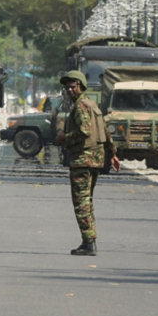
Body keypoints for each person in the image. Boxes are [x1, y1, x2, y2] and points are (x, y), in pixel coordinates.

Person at [55, 70, 119, 255]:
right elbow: (105, 131)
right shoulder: (93, 105)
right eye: (67, 87)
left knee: (81, 202)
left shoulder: (81, 106)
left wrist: (64, 138)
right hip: (96, 159)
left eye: (73, 86)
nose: (69, 90)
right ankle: (88, 240)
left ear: (81, 86)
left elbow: (84, 131)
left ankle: (89, 242)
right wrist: (113, 153)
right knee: (87, 201)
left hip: (83, 160)